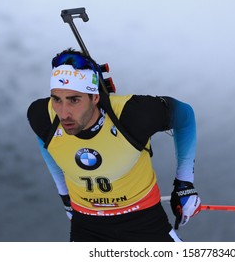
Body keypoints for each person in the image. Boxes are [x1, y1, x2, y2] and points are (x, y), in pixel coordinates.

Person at [27, 48, 201, 242]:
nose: (64, 113)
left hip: (143, 221)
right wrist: (65, 196)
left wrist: (184, 183)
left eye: (74, 100)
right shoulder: (42, 115)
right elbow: (46, 141)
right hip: (87, 225)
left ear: (95, 97)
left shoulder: (133, 114)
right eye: (56, 100)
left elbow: (184, 115)